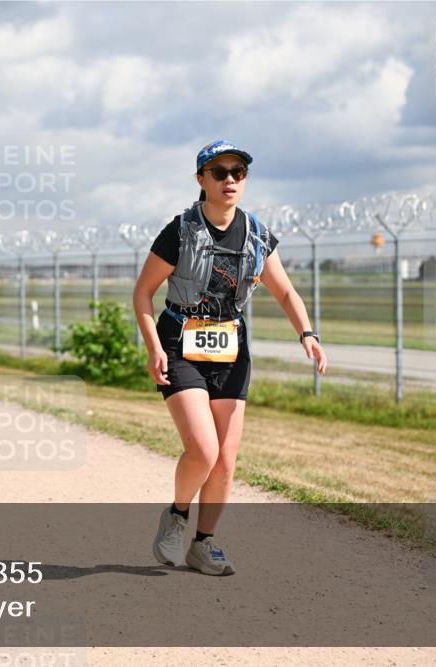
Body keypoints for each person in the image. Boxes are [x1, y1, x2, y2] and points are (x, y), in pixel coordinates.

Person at [133, 140, 327, 576]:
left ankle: (203, 543)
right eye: (219, 172)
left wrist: (307, 334)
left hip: (230, 349)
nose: (230, 180)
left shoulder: (256, 233)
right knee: (203, 449)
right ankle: (177, 515)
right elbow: (143, 293)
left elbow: (285, 292)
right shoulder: (180, 231)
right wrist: (153, 348)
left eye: (238, 172)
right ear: (201, 179)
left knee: (225, 458)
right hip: (180, 343)